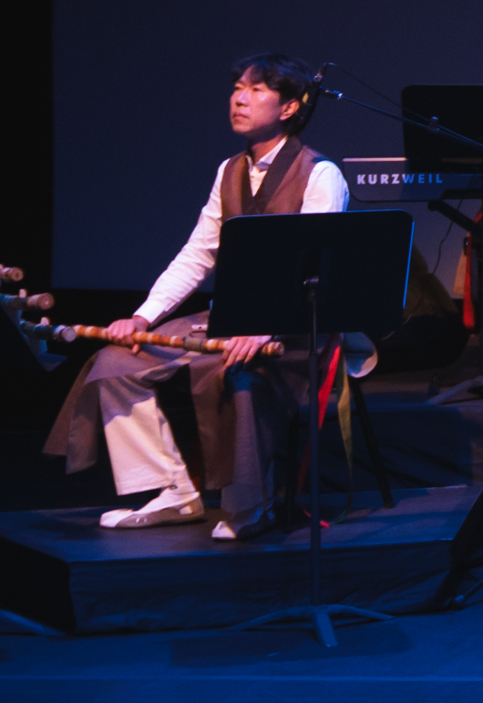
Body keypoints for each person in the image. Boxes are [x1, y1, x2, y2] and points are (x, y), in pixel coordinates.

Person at [41, 55, 367, 540]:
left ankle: (249, 505)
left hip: (297, 327)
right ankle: (173, 489)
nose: (240, 99)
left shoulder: (319, 173)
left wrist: (264, 327)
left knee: (239, 373)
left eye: (256, 90)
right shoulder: (230, 171)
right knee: (115, 362)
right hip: (231, 318)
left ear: (289, 107)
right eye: (237, 88)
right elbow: (198, 254)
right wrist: (143, 317)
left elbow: (313, 268)